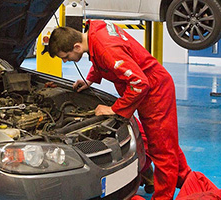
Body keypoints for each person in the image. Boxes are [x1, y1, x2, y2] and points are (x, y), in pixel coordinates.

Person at [48, 20, 192, 199]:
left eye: (66, 56)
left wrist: (114, 109)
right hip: (149, 90)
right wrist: (90, 79)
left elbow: (139, 83)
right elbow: (102, 58)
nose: (65, 61)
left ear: (77, 46)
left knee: (162, 150)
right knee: (166, 142)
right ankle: (186, 178)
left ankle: (163, 196)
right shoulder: (95, 32)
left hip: (155, 92)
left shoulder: (106, 47)